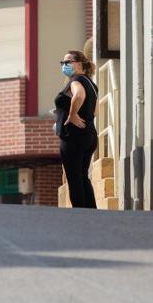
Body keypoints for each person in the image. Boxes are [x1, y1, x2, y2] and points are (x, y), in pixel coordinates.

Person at [55, 50, 98, 209]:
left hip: (73, 136)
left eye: (68, 62)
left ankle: (80, 213)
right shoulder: (91, 83)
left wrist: (72, 114)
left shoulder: (75, 80)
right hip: (89, 134)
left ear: (79, 63)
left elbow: (78, 95)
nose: (64, 65)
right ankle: (91, 211)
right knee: (82, 176)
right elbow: (95, 110)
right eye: (62, 63)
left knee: (74, 177)